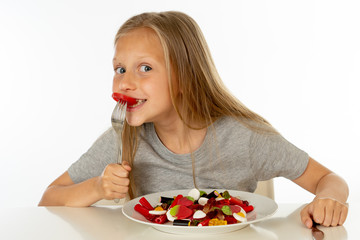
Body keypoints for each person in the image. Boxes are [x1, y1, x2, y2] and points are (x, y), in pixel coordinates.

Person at [39, 11, 349, 229]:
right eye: (120, 69)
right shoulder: (125, 139)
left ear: (186, 77)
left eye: (144, 68)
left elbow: (328, 179)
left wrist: (329, 199)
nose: (124, 82)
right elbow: (48, 198)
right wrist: (97, 187)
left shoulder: (245, 137)